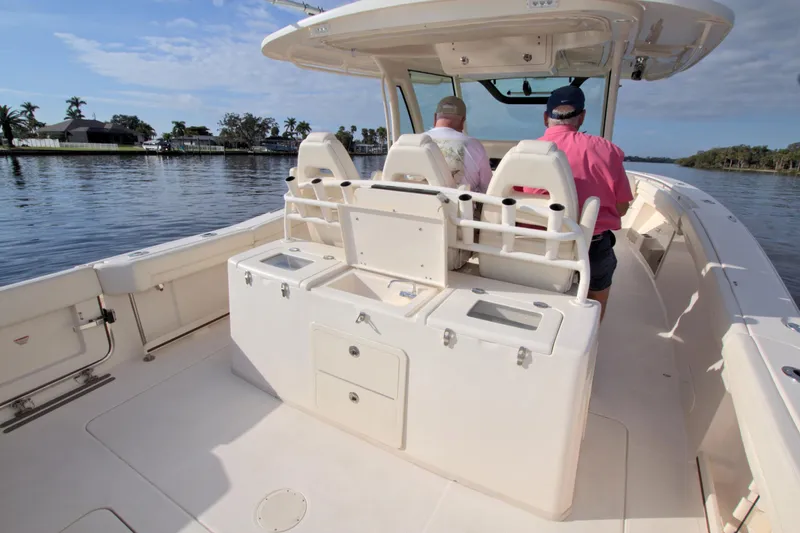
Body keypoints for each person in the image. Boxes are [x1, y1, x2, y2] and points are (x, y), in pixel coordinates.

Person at [520, 85, 633, 320]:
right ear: (581, 117)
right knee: (597, 295)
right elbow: (622, 207)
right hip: (590, 248)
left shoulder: (524, 152)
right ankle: (593, 327)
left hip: (536, 246)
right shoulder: (607, 151)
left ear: (545, 117)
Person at [426, 96, 493, 194]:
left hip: (412, 206)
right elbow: (487, 188)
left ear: (435, 117)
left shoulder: (415, 143)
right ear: (463, 121)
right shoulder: (473, 145)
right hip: (458, 208)